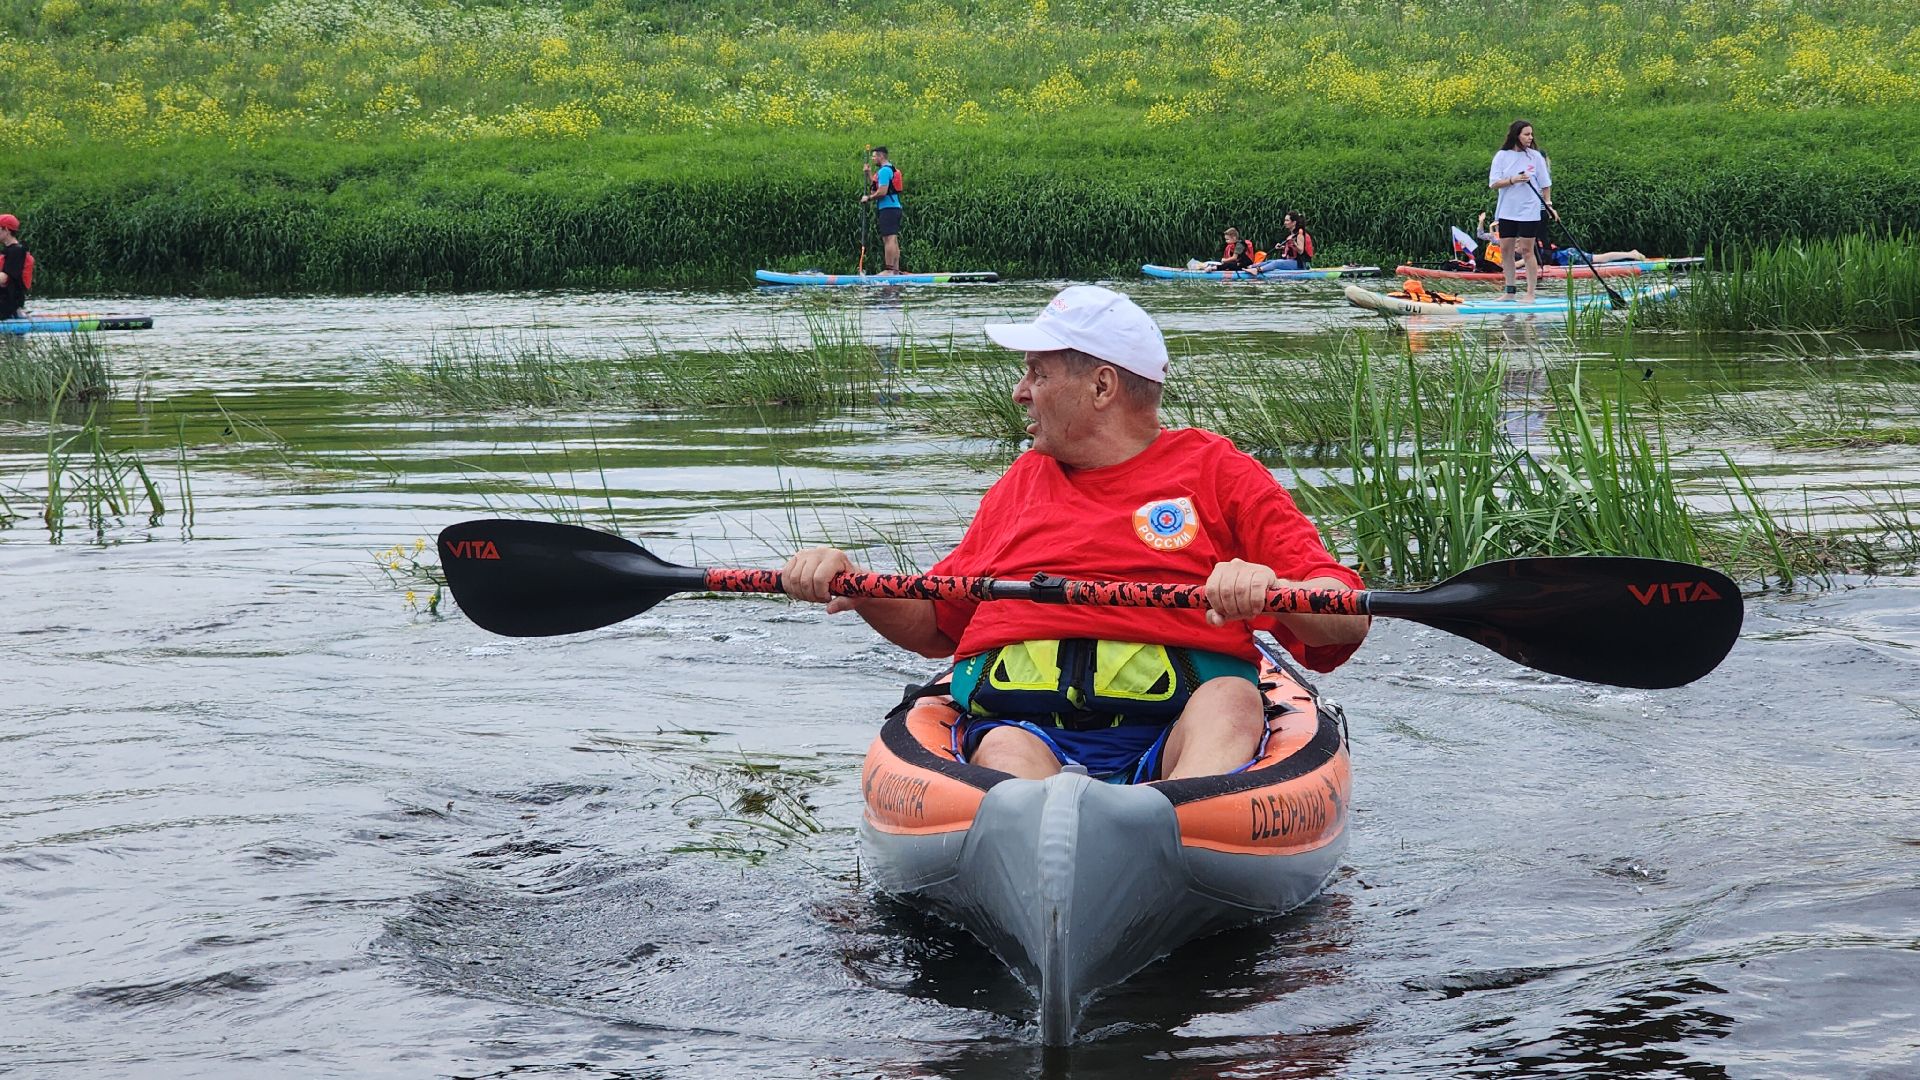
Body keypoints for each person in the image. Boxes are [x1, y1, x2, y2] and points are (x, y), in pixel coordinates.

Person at [780, 285, 1370, 783]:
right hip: (1028, 729)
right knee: (1006, 750)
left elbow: (1346, 619)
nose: (1019, 391)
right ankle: (1038, 849)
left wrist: (1272, 584)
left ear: (1103, 387)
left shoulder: (1218, 471)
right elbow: (938, 622)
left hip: (1180, 732)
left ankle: (1180, 829)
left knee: (1233, 703)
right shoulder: (1021, 481)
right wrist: (857, 586)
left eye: (1037, 372)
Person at [1488, 119, 1552, 302]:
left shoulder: (1535, 156)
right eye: (1526, 134)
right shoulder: (1502, 156)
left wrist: (1548, 203)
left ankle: (1530, 293)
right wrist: (1513, 180)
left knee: (1527, 250)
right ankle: (1510, 291)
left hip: (1528, 210)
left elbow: (1545, 183)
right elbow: (1493, 183)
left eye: (1531, 134)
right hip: (1507, 210)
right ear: (1516, 135)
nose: (1530, 138)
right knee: (1506, 250)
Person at [861, 147, 903, 275]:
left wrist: (868, 198)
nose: (873, 159)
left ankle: (889, 270)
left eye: (874, 157)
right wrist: (868, 175)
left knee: (889, 239)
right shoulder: (889, 169)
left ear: (881, 156)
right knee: (892, 239)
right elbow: (876, 186)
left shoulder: (884, 171)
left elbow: (882, 192)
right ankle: (895, 270)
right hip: (893, 208)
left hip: (888, 209)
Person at [0, 214, 29, 319]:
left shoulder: (17, 251)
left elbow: (4, 278)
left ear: (6, 230)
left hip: (8, 303)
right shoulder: (6, 251)